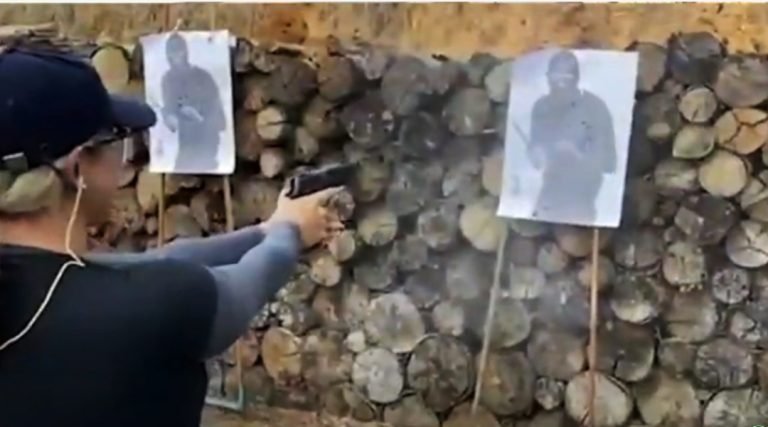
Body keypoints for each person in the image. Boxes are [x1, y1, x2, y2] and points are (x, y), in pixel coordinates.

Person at [0, 47, 342, 427]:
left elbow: (146, 265)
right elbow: (236, 291)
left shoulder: (31, 285)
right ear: (77, 168)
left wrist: (266, 230)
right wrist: (288, 231)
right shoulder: (152, 303)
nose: (124, 159)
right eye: (117, 141)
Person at [527, 49, 617, 225]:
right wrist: (535, 153)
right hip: (549, 195)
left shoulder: (594, 107)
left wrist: (576, 154)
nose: (560, 82)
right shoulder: (541, 107)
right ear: (548, 77)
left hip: (581, 195)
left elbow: (608, 163)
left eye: (566, 76)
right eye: (555, 76)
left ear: (576, 78)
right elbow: (534, 151)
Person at [160, 32, 226, 173]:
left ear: (185, 51)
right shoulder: (168, 80)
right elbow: (170, 109)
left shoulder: (203, 77)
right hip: (186, 142)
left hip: (207, 141)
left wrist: (198, 116)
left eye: (179, 50)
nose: (176, 55)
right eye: (172, 52)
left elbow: (219, 117)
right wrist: (168, 117)